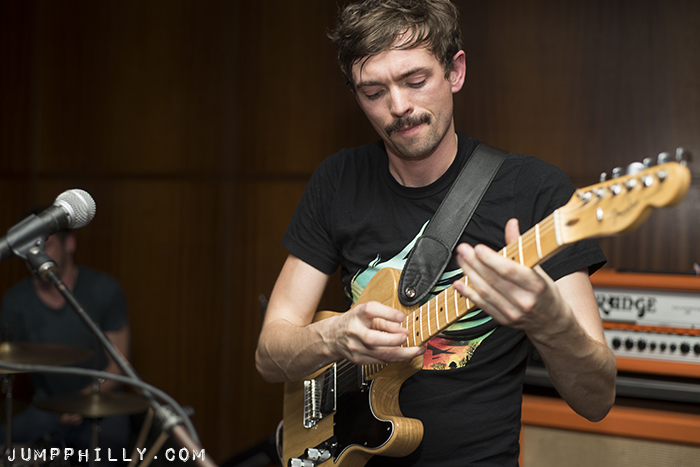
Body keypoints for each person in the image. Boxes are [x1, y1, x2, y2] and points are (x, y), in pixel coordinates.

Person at [255, 0, 617, 465]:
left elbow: (597, 400)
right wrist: (335, 336)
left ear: (455, 71)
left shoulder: (535, 192)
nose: (398, 107)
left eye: (415, 81)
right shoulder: (338, 180)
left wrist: (549, 322)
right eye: (373, 92)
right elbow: (270, 355)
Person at [0, 228, 131, 460]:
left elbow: (119, 366)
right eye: (26, 247)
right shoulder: (16, 300)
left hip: (102, 403)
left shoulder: (104, 289)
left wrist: (80, 401)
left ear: (69, 243)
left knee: (108, 450)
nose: (33, 253)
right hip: (46, 407)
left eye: (44, 245)